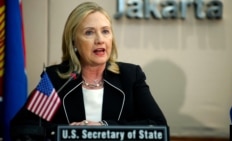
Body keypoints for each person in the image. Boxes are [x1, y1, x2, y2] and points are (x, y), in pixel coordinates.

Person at [10, 1, 168, 140]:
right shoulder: (57, 80)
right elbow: (23, 128)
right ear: (74, 42)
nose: (100, 39)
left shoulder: (130, 77)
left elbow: (158, 127)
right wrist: (67, 133)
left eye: (105, 31)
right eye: (89, 32)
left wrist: (104, 127)